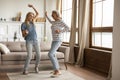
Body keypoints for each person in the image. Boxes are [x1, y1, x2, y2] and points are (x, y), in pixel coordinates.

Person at [45, 10, 69, 77]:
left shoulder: (60, 21)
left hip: (58, 40)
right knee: (53, 54)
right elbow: (50, 21)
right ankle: (57, 69)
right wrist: (46, 15)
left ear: (57, 14)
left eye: (53, 14)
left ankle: (57, 70)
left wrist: (60, 31)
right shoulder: (54, 22)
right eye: (51, 14)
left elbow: (68, 28)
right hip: (54, 40)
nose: (52, 15)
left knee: (50, 54)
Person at [21, 4, 40, 75]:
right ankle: (25, 70)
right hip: (29, 41)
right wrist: (25, 33)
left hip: (36, 41)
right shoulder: (24, 24)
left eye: (32, 16)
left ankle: (36, 67)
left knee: (39, 55)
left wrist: (33, 7)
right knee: (29, 56)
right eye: (30, 16)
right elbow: (23, 35)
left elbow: (38, 13)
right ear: (27, 16)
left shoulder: (33, 22)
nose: (32, 17)